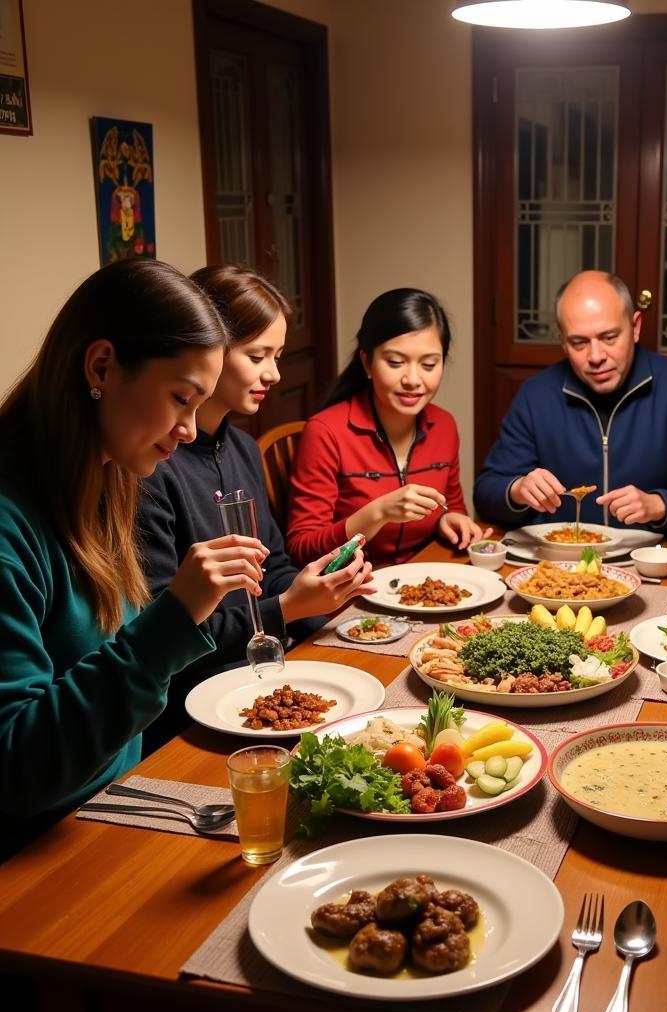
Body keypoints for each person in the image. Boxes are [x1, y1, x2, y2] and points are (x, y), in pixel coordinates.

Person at [0, 259, 268, 858]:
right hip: (37, 851)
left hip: (113, 804)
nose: (191, 430)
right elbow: (17, 768)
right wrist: (175, 617)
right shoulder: (12, 524)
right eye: (181, 397)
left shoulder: (108, 478)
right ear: (102, 366)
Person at [137, 265, 375, 753]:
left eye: (278, 355)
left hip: (267, 681)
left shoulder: (242, 448)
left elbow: (276, 567)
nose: (275, 374)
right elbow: (166, 632)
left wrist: (321, 590)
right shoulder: (152, 466)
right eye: (257, 355)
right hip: (194, 711)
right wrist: (289, 607)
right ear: (210, 351)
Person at [473, 270, 667, 531]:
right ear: (563, 343)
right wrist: (517, 489)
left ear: (635, 327)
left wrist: (661, 505)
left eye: (609, 337)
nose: (596, 356)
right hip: (561, 564)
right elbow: (485, 494)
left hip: (654, 560)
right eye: (579, 342)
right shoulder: (536, 396)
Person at [287, 287, 486, 566]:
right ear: (367, 362)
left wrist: (449, 518)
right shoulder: (325, 431)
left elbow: (450, 504)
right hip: (351, 591)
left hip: (424, 578)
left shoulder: (444, 425)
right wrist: (377, 513)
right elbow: (303, 548)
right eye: (395, 362)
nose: (413, 379)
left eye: (429, 364)